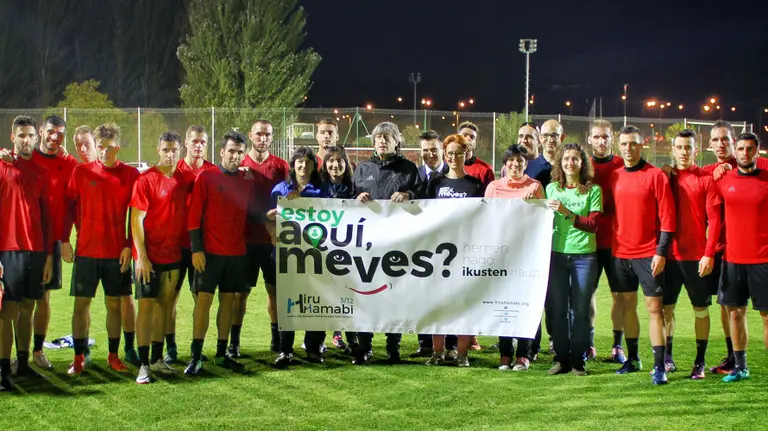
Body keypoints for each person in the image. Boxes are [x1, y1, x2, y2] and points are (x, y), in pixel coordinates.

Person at [64, 123, 140, 375]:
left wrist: (129, 245)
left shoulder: (130, 175)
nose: (104, 151)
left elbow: (137, 215)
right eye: (100, 147)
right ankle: (78, 358)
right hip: (86, 252)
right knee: (80, 306)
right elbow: (69, 208)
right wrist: (66, 238)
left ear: (117, 147)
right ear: (95, 147)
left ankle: (113, 355)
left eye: (109, 147)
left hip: (115, 252)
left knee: (114, 305)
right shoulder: (81, 172)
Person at [351, 121, 422, 365]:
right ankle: (365, 346)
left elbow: (422, 198)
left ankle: (394, 347)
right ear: (373, 142)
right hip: (367, 245)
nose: (382, 141)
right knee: (366, 294)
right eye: (379, 137)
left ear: (396, 142)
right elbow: (349, 201)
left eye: (387, 137)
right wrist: (356, 198)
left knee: (395, 295)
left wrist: (408, 195)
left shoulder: (409, 168)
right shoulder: (362, 168)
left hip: (397, 245)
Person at [185, 131, 254, 375]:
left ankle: (222, 353)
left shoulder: (246, 180)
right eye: (231, 151)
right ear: (222, 152)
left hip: (236, 253)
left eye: (239, 152)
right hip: (209, 253)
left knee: (228, 302)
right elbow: (193, 216)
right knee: (203, 302)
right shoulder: (207, 177)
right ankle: (195, 356)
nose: (235, 156)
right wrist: (197, 249)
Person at [702, 120, 768, 375]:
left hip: (761, 257)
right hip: (728, 255)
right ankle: (736, 362)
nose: (743, 153)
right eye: (716, 140)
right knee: (731, 310)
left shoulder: (762, 171)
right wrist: (668, 171)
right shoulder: (716, 175)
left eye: (726, 140)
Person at [611, 125, 675, 385]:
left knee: (654, 309)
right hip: (620, 254)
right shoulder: (614, 176)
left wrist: (661, 252)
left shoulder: (656, 175)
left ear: (642, 145)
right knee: (627, 305)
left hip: (648, 253)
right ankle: (634, 358)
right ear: (619, 146)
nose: (628, 148)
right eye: (624, 144)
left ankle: (659, 366)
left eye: (633, 143)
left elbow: (668, 219)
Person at [0, 115, 54, 390]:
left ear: (37, 138)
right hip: (8, 249)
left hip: (35, 250)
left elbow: (47, 219)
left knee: (27, 307)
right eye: (20, 135)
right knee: (6, 310)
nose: (25, 140)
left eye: (30, 135)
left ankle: (22, 365)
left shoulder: (41, 172)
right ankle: (3, 371)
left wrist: (47, 257)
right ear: (13, 138)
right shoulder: (2, 166)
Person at [662, 129, 722, 379]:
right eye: (680, 147)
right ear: (672, 150)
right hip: (668, 257)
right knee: (666, 309)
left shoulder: (706, 181)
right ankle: (666, 356)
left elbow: (715, 221)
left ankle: (699, 361)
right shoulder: (664, 178)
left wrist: (708, 254)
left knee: (701, 310)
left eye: (688, 147)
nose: (684, 152)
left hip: (697, 258)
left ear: (696, 150)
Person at [130, 131, 188, 384]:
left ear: (180, 151)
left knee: (165, 305)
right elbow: (136, 220)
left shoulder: (184, 179)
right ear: (158, 150)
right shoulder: (146, 180)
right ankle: (143, 365)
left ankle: (157, 359)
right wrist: (141, 256)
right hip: (148, 256)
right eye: (165, 149)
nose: (170, 154)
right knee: (146, 307)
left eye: (174, 149)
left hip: (173, 254)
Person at [423, 134, 484, 367]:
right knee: (439, 303)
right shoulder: (436, 183)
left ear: (466, 154)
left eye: (459, 153)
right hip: (439, 253)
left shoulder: (475, 184)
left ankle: (461, 354)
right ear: (445, 155)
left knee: (463, 303)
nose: (454, 157)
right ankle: (438, 352)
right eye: (449, 153)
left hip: (466, 251)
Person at [485, 144, 545, 371]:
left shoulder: (535, 186)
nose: (515, 164)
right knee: (503, 304)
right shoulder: (493, 188)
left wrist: (534, 204)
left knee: (528, 302)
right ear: (505, 163)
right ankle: (505, 353)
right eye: (511, 160)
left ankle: (524, 354)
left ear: (526, 164)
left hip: (528, 255)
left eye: (520, 161)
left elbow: (544, 219)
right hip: (502, 255)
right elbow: (487, 219)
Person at [544, 143, 602, 376]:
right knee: (557, 310)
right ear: (560, 162)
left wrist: (566, 212)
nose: (570, 163)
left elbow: (593, 225)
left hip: (584, 257)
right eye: (566, 158)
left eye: (575, 159)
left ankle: (578, 361)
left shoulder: (592, 190)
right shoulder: (550, 189)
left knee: (580, 310)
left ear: (582, 163)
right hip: (556, 255)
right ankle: (561, 359)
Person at [26, 115, 79, 370]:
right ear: (40, 132)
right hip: (22, 240)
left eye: (59, 133)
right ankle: (13, 354)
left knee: (43, 298)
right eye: (50, 132)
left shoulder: (69, 164)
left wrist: (66, 238)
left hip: (51, 241)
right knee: (17, 300)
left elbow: (71, 204)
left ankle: (37, 350)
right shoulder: (25, 158)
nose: (54, 137)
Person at [267, 147, 328, 367]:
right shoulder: (280, 189)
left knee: (316, 301)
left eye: (308, 162)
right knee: (288, 303)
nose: (303, 166)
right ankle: (285, 350)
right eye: (299, 162)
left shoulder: (322, 190)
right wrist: (272, 225)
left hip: (317, 256)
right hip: (287, 256)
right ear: (293, 165)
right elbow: (268, 218)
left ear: (314, 165)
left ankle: (314, 348)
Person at [240, 119, 290, 355]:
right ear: (250, 135)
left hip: (274, 241)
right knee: (241, 293)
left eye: (267, 135)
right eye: (259, 134)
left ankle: (276, 338)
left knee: (275, 291)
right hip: (246, 240)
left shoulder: (280, 166)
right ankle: (234, 341)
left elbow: (292, 197)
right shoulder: (240, 163)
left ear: (272, 137)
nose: (263, 139)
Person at [166, 125, 215, 363]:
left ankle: (198, 348)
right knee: (170, 298)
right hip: (176, 245)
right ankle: (171, 348)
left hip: (202, 247)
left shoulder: (213, 172)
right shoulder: (174, 170)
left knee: (201, 298)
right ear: (186, 143)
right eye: (194, 141)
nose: (198, 146)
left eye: (203, 142)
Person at [589, 119, 625, 362]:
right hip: (587, 242)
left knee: (619, 296)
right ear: (590, 139)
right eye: (597, 137)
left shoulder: (622, 165)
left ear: (611, 139)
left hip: (616, 242)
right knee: (586, 294)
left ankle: (617, 346)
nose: (602, 141)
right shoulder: (582, 166)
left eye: (605, 137)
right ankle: (588, 344)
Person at [318, 147, 359, 353]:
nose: (335, 165)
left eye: (339, 161)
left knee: (346, 294)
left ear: (346, 163)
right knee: (324, 294)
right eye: (331, 161)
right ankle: (321, 338)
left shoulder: (354, 187)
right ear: (325, 164)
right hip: (323, 250)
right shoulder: (318, 187)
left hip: (348, 249)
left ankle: (348, 336)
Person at [411, 129, 447, 358]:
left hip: (447, 245)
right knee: (422, 293)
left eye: (434, 149)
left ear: (441, 149)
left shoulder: (452, 175)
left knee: (448, 295)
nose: (430, 154)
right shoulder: (414, 175)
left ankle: (451, 344)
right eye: (425, 150)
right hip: (422, 245)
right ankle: (424, 343)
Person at [457, 121, 494, 196]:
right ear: (456, 138)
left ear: (475, 143)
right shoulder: (445, 165)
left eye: (472, 137)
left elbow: (489, 199)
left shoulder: (486, 169)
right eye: (464, 135)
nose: (468, 138)